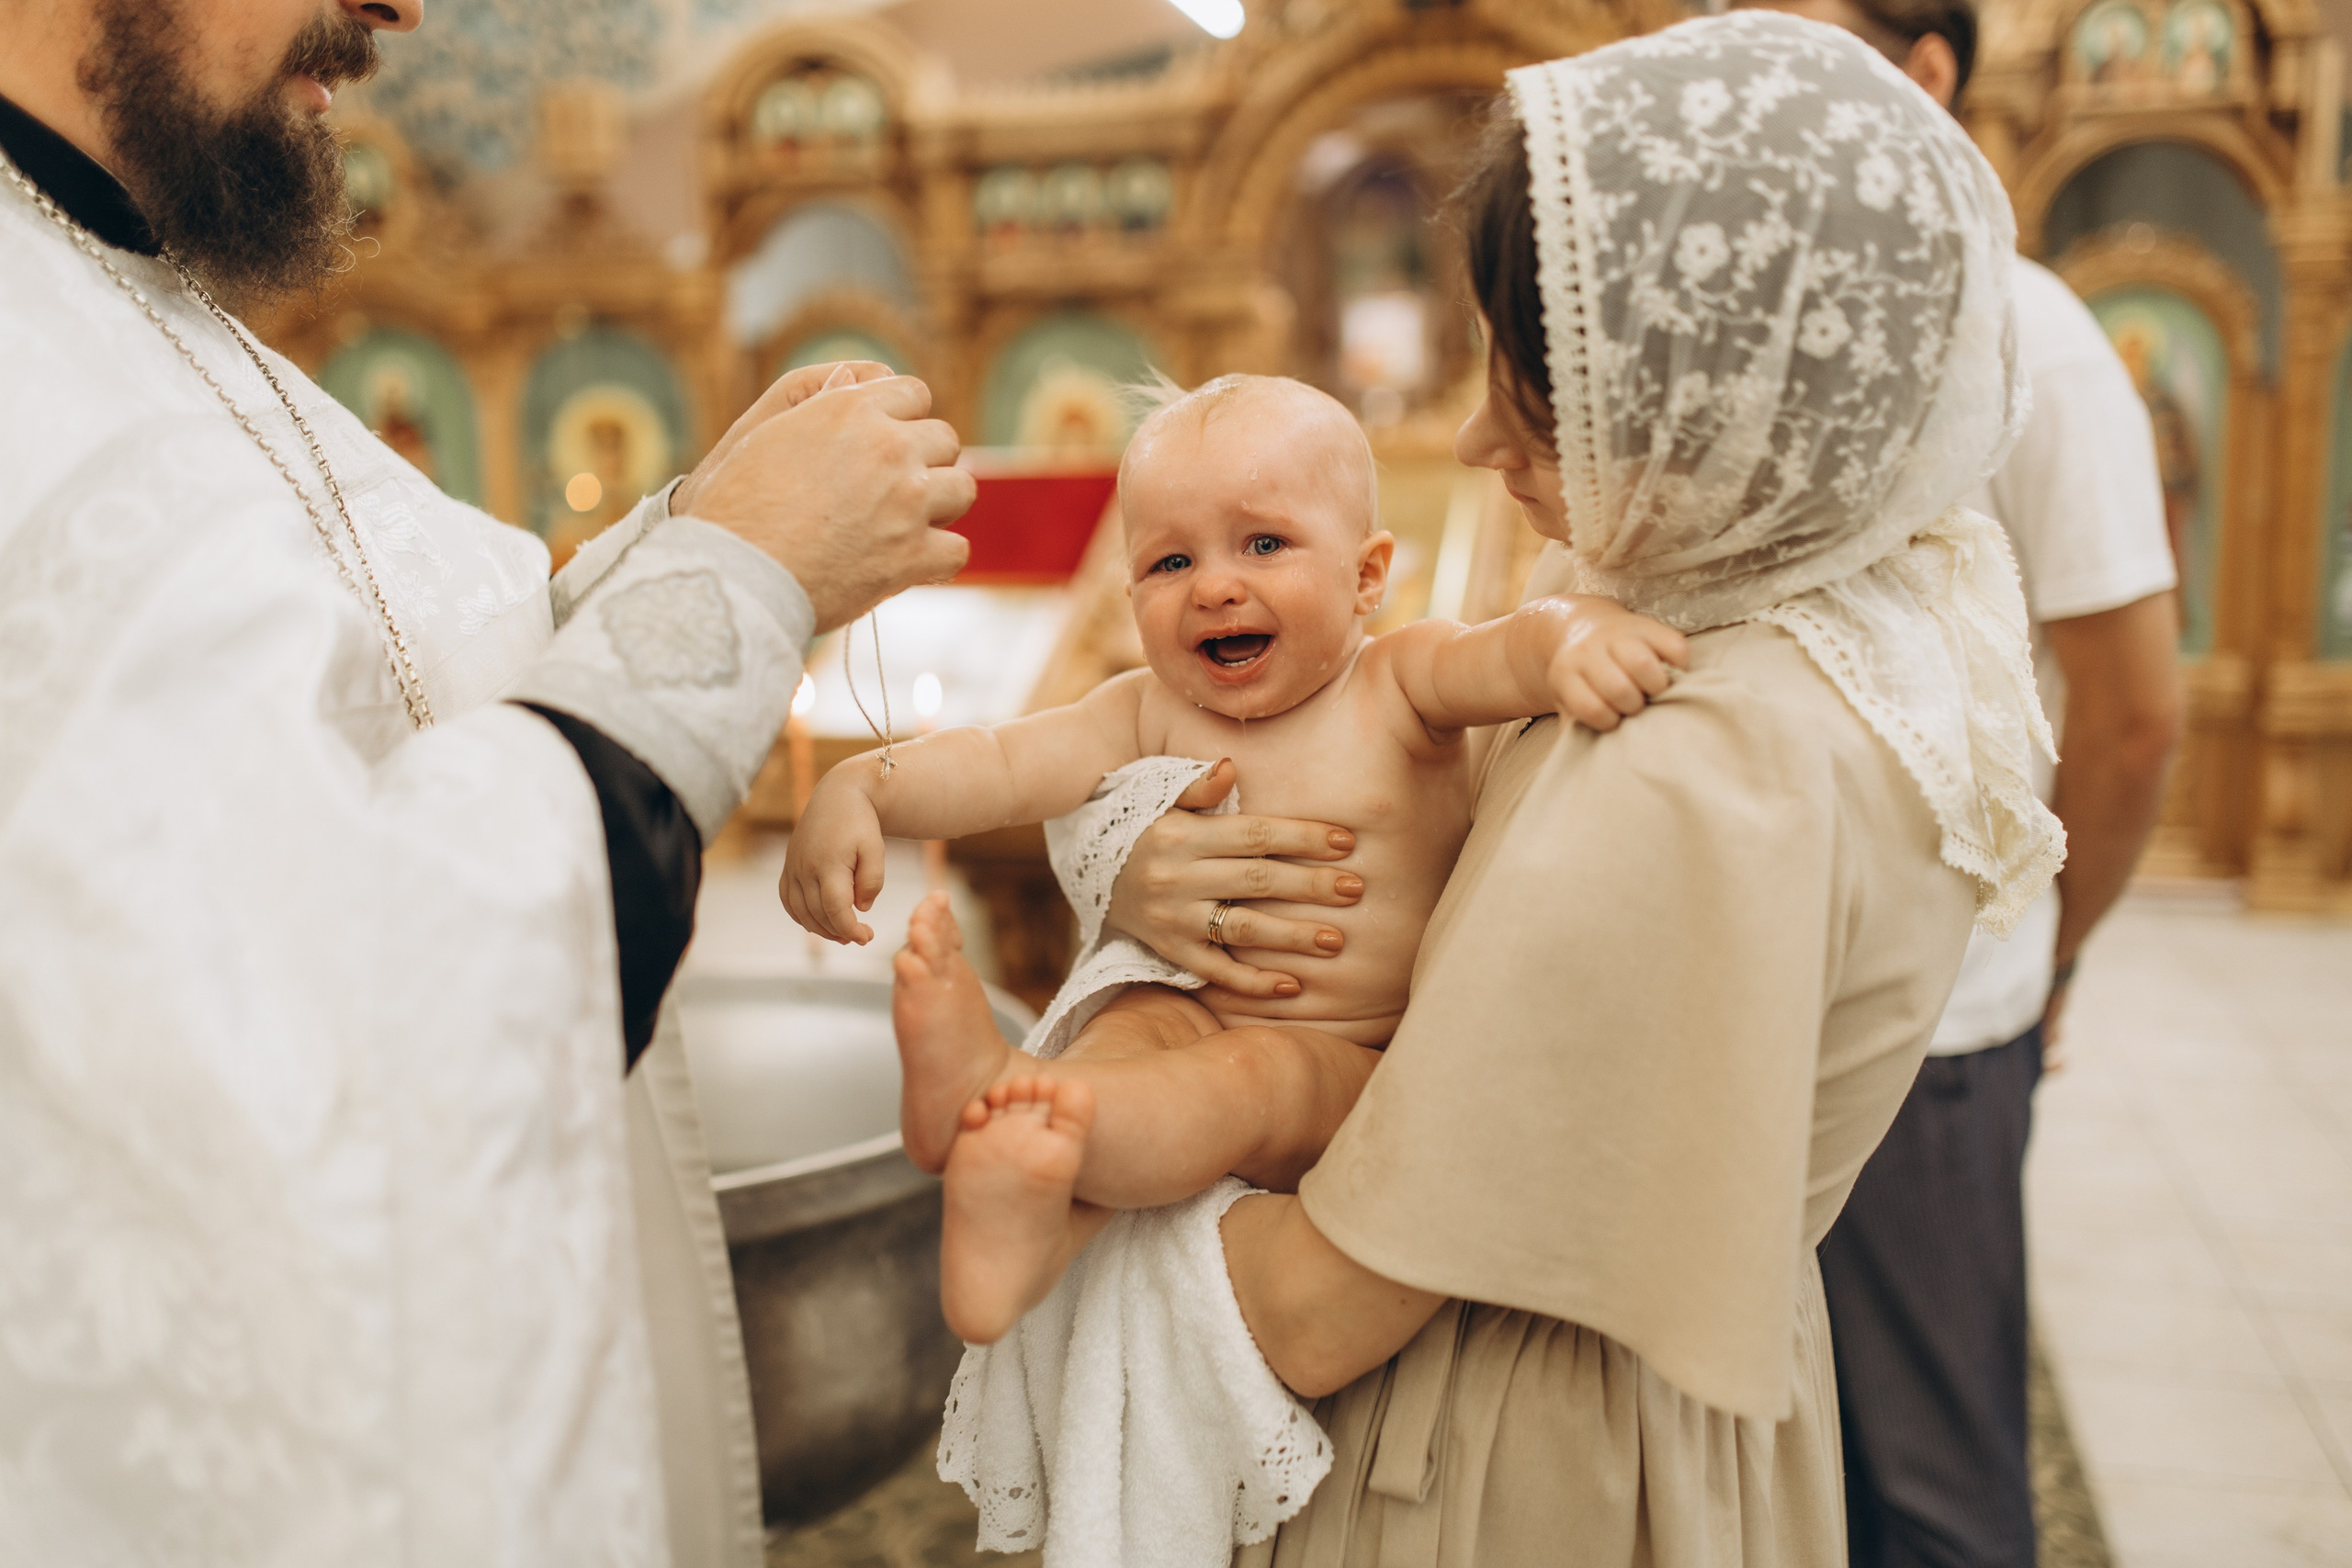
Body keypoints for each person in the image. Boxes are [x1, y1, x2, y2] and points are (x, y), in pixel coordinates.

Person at [1030, 14, 2063, 1563]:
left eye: (1535, 378)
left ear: (1699, 387)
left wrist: (1066, 1223)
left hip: (1509, 1460)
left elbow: (1316, 1309)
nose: (1472, 434)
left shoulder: (1693, 766)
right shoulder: (1868, 613)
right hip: (1659, 1417)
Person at [0, 2, 974, 1562]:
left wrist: (702, 529)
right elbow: (321, 1015)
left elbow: (409, 702)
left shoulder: (129, 293)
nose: (401, 7)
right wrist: (732, 581)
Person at [781, 373, 1685, 1346]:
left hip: (1352, 1058)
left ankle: (1024, 1116)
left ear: (1367, 577)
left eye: (1263, 544)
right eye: (1170, 562)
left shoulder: (1397, 682)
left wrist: (1577, 637)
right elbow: (1002, 761)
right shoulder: (1145, 708)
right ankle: (1018, 1168)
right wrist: (865, 788)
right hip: (1188, 999)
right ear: (1130, 596)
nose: (1213, 585)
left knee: (1253, 1072)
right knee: (1124, 1032)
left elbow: (1510, 649)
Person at [1745, 3, 2182, 1562]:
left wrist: (2049, 958)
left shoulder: (2034, 337)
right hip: (1747, 999)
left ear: (1928, 73)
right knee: (1772, 1463)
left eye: (1801, 42)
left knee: (1930, 1483)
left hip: (1937, 1024)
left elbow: (2134, 719)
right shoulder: (1750, 312)